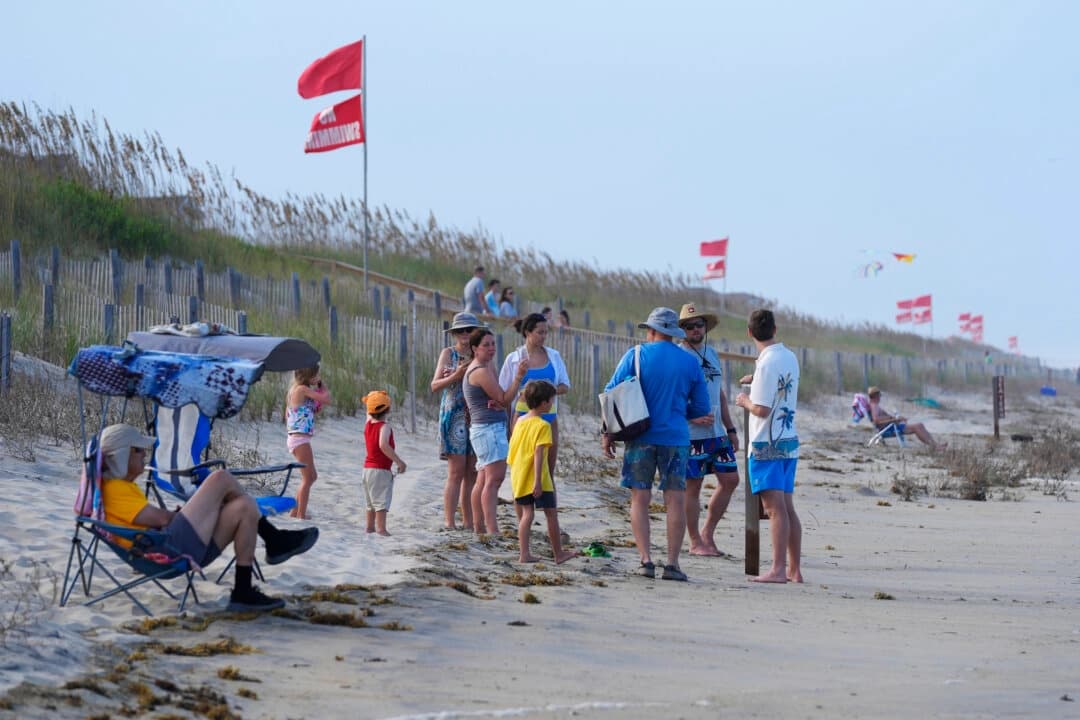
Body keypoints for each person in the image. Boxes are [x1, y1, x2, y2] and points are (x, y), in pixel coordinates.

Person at [98, 423, 319, 611]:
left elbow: (153, 520)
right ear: (122, 455)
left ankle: (242, 592)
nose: (145, 455)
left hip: (173, 546)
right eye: (138, 450)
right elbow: (161, 520)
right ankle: (274, 539)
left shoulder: (123, 487)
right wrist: (185, 513)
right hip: (166, 548)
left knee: (244, 506)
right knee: (220, 477)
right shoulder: (115, 488)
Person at [601, 308, 710, 582]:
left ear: (651, 330)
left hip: (641, 437)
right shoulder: (689, 363)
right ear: (674, 333)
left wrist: (608, 433)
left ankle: (646, 560)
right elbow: (700, 408)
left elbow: (612, 394)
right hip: (675, 438)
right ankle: (672, 564)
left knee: (640, 498)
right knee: (675, 499)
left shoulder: (636, 355)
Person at [734, 309, 803, 584]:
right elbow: (778, 383)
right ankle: (794, 569)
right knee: (787, 507)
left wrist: (744, 401)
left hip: (766, 444)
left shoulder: (765, 364)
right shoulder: (789, 356)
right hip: (788, 440)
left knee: (774, 509)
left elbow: (761, 409)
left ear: (749, 333)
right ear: (775, 329)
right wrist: (757, 378)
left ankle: (776, 569)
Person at [677, 303, 740, 557]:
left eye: (698, 325)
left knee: (730, 480)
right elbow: (673, 396)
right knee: (693, 486)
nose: (694, 329)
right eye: (689, 326)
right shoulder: (680, 357)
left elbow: (720, 393)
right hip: (692, 434)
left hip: (717, 433)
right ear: (682, 331)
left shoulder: (711, 353)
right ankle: (695, 542)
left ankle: (707, 533)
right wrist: (692, 414)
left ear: (705, 327)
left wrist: (731, 428)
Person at [464, 327, 529, 535]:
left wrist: (501, 400)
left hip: (484, 427)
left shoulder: (485, 366)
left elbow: (499, 399)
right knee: (494, 480)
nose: (491, 349)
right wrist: (518, 377)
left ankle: (480, 526)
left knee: (483, 479)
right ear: (475, 348)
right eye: (486, 345)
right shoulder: (480, 371)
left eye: (493, 344)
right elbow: (503, 398)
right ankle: (491, 529)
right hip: (488, 428)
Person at [507, 380, 578, 564]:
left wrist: (516, 474)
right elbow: (538, 454)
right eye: (552, 401)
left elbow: (513, 450)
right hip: (539, 478)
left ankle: (524, 554)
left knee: (527, 513)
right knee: (551, 514)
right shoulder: (543, 426)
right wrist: (537, 481)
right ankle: (559, 554)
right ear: (544, 403)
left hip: (519, 475)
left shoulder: (520, 422)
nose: (553, 404)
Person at [499, 313, 571, 479]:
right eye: (540, 332)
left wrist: (549, 389)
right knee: (523, 471)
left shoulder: (554, 356)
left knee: (548, 471)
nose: (544, 336)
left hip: (549, 417)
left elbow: (565, 385)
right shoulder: (514, 359)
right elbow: (504, 394)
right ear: (527, 332)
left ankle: (547, 504)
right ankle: (524, 503)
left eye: (546, 332)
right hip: (522, 418)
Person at [430, 312, 481, 530]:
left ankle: (468, 521)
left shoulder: (480, 353)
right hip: (454, 415)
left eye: (469, 330)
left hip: (475, 415)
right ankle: (450, 521)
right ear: (454, 334)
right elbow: (434, 385)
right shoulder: (448, 353)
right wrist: (455, 376)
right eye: (460, 330)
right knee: (456, 471)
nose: (465, 334)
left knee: (473, 471)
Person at [286, 364, 331, 520]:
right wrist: (321, 383)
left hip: (300, 438)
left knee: (311, 476)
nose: (318, 377)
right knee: (308, 478)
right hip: (299, 439)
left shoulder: (303, 391)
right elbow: (327, 398)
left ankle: (295, 511)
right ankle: (300, 514)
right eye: (316, 375)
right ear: (309, 376)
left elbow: (318, 406)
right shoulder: (301, 390)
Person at [361, 390, 407, 536]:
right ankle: (381, 528)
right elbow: (383, 445)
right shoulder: (384, 427)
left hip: (367, 470)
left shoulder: (368, 424)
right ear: (387, 409)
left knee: (370, 503)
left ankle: (369, 527)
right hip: (380, 470)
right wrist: (399, 462)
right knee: (381, 502)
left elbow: (368, 412)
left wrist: (371, 397)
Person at [867, 386, 944, 449]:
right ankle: (935, 446)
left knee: (919, 425)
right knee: (917, 426)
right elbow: (876, 420)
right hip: (889, 429)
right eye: (879, 395)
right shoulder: (874, 406)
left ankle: (935, 445)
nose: (880, 397)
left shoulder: (874, 406)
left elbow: (881, 418)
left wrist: (896, 418)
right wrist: (894, 419)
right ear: (876, 396)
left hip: (890, 426)